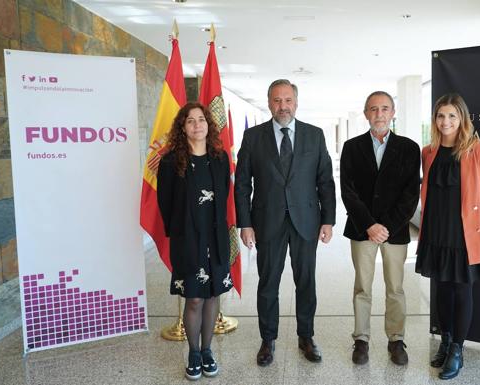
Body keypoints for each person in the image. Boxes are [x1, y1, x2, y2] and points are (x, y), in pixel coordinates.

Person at [235, 79, 336, 366]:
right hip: (266, 221)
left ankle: (306, 336)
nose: (283, 106)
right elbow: (242, 184)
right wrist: (245, 223)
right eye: (277, 100)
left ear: (296, 102)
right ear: (269, 103)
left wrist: (327, 220)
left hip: (306, 221)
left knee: (306, 282)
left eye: (288, 100)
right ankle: (268, 340)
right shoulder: (253, 137)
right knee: (268, 282)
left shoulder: (314, 135)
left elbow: (325, 182)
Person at [415, 93, 480, 380]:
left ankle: (458, 351)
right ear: (435, 120)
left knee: (462, 291)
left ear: (462, 118)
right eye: (440, 116)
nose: (446, 121)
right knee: (442, 290)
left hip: (463, 235)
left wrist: (476, 228)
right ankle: (445, 341)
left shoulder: (478, 150)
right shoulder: (428, 152)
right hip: (435, 231)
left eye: (452, 115)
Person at [340, 91, 420, 366]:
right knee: (362, 286)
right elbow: (348, 192)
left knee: (395, 287)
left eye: (385, 108)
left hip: (394, 231)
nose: (379, 114)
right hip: (362, 229)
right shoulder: (352, 147)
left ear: (393, 112)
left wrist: (386, 226)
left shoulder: (409, 148)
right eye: (373, 109)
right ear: (366, 114)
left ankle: (396, 339)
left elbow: (411, 195)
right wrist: (370, 225)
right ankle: (361, 339)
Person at [157, 102, 233, 381]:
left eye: (202, 120)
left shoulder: (220, 157)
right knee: (195, 298)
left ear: (208, 125)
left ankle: (207, 350)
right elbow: (164, 202)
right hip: (187, 239)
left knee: (213, 295)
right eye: (190, 121)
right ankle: (193, 353)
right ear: (182, 127)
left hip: (216, 236)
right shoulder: (170, 161)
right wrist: (181, 230)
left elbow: (223, 193)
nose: (197, 125)